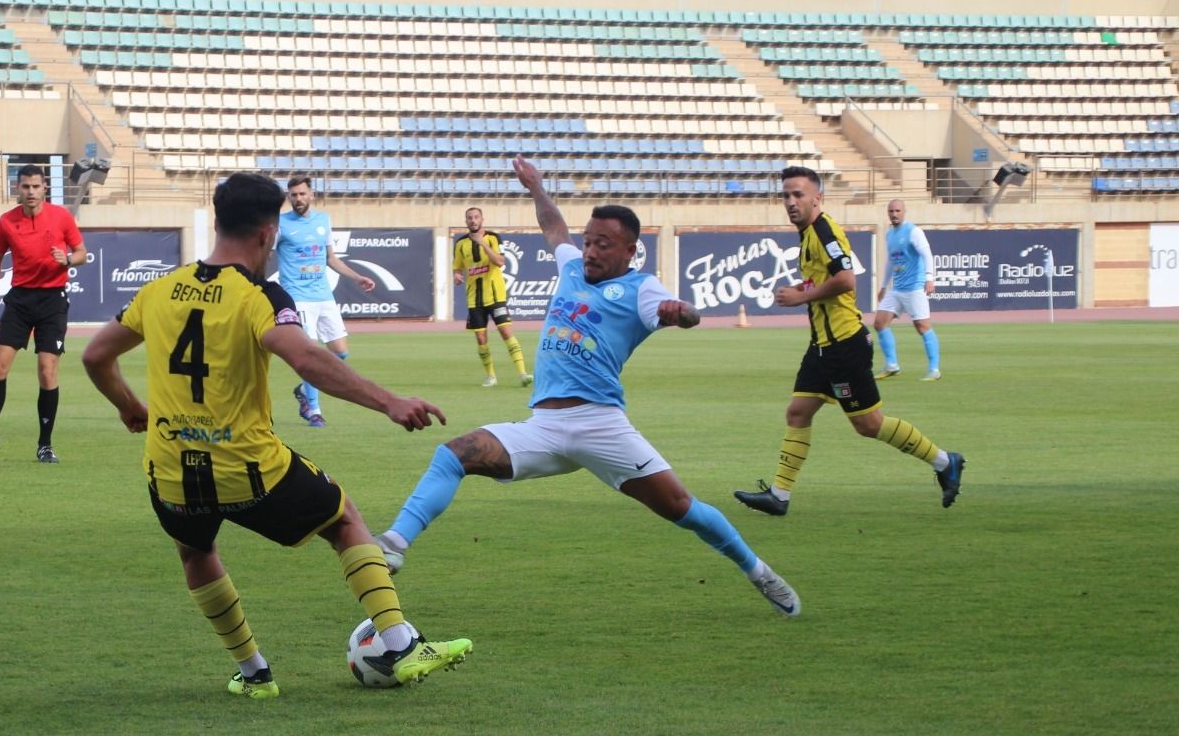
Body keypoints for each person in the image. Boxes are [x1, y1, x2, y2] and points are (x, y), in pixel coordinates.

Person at [81, 172, 472, 699]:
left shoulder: (159, 290)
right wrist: (389, 402)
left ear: (217, 221)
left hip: (171, 468)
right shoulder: (258, 295)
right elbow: (307, 356)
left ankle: (254, 674)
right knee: (344, 520)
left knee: (196, 552)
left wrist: (131, 407)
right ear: (269, 234)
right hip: (247, 465)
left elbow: (95, 355)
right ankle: (400, 644)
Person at [376, 157, 800, 617]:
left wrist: (683, 314)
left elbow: (686, 313)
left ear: (630, 251)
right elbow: (554, 226)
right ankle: (394, 545)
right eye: (589, 241)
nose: (591, 251)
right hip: (544, 427)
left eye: (604, 244)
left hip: (600, 426)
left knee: (683, 508)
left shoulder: (642, 289)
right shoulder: (573, 267)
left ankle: (759, 572)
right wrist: (536, 187)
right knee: (454, 453)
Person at [733, 166, 964, 517]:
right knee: (798, 412)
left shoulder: (825, 232)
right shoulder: (809, 234)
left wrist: (800, 298)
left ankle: (945, 461)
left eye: (798, 195)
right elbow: (825, 279)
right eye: (785, 195)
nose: (791, 202)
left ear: (817, 198)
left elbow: (846, 280)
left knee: (868, 425)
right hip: (822, 346)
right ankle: (779, 496)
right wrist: (803, 289)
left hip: (843, 346)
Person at [0, 163, 88, 464]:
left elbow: (82, 254)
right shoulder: (7, 222)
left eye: (36, 186)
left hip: (52, 301)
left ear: (45, 187)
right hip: (20, 300)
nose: (31, 192)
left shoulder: (62, 217)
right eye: (25, 186)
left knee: (47, 371)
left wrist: (68, 259)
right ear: (17, 188)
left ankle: (45, 445)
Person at [272, 175, 376, 428]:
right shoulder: (280, 224)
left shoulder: (323, 221)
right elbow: (264, 252)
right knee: (310, 354)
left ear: (311, 194)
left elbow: (331, 258)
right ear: (289, 197)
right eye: (294, 195)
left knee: (340, 352)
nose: (298, 198)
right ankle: (314, 410)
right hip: (297, 297)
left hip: (323, 295)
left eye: (302, 194)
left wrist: (357, 277)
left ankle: (304, 388)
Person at [453, 207, 533, 387]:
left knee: (506, 332)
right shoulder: (460, 244)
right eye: (469, 218)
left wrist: (482, 243)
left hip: (495, 295)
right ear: (465, 221)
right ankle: (491, 376)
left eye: (476, 217)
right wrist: (456, 275)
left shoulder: (493, 238)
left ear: (482, 219)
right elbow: (457, 266)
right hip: (474, 298)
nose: (473, 220)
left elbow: (500, 261)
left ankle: (522, 373)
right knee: (481, 338)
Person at [871, 199, 941, 381]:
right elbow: (891, 262)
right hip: (897, 289)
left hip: (914, 288)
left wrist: (929, 278)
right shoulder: (889, 235)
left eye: (897, 211)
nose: (894, 214)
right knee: (879, 323)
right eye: (891, 211)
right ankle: (892, 365)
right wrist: (884, 286)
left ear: (904, 212)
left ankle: (934, 369)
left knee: (922, 327)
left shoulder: (913, 231)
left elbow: (927, 254)